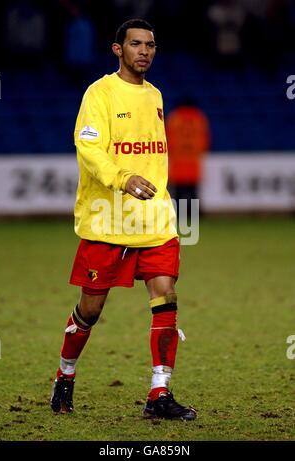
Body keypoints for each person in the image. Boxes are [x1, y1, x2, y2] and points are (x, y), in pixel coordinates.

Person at [50, 18, 196, 421]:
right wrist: (123, 177)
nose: (145, 51)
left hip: (154, 221)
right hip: (106, 222)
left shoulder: (157, 96)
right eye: (135, 44)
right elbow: (89, 149)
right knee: (90, 311)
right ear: (118, 50)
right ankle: (65, 375)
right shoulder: (99, 93)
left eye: (150, 45)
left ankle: (159, 393)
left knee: (165, 297)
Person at [166, 96, 211, 216]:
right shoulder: (199, 117)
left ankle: (177, 214)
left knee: (178, 191)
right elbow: (205, 140)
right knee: (193, 191)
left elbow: (167, 138)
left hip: (177, 160)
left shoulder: (174, 117)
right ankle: (196, 214)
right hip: (193, 160)